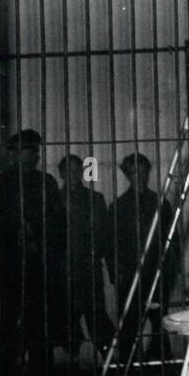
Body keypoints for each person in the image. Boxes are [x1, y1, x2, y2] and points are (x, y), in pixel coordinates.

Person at [0, 128, 64, 376]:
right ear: (15, 154)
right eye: (29, 150)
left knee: (38, 322)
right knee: (8, 323)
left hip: (38, 265)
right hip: (10, 267)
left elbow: (58, 222)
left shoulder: (46, 182)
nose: (34, 156)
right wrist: (6, 245)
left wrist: (41, 240)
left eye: (35, 151)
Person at [106, 153, 177, 376]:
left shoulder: (160, 203)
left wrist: (169, 274)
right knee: (129, 325)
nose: (140, 176)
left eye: (143, 170)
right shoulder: (118, 206)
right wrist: (115, 273)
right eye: (134, 172)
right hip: (129, 276)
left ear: (148, 172)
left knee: (160, 324)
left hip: (156, 275)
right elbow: (110, 244)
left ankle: (162, 371)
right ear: (127, 175)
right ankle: (128, 371)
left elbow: (170, 241)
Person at [57, 154, 114, 365]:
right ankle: (73, 360)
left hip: (88, 268)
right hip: (63, 271)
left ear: (82, 172)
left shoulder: (95, 199)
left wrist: (94, 253)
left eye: (76, 169)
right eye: (68, 170)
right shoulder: (53, 198)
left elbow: (105, 235)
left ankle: (107, 358)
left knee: (96, 314)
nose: (72, 174)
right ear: (61, 173)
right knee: (67, 317)